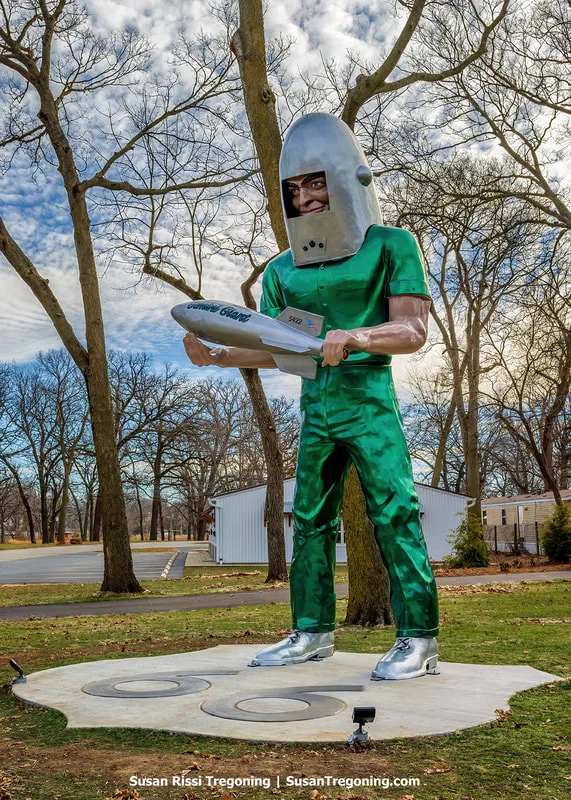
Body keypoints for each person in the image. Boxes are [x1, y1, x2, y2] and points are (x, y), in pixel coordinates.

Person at [183, 113, 439, 680]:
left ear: (347, 179)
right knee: (310, 519)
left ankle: (419, 637)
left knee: (395, 514)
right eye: (294, 189)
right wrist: (221, 355)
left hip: (370, 400)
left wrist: (357, 336)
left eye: (316, 182)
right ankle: (311, 630)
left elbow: (414, 331)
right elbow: (280, 348)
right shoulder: (282, 271)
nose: (305, 197)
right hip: (316, 407)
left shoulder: (392, 246)